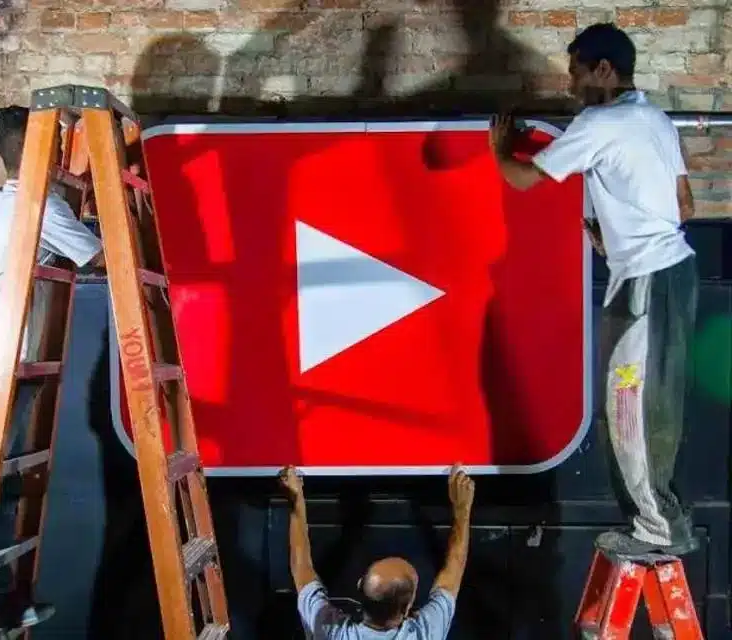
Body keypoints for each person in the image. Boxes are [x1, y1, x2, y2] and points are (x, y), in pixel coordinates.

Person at [488, 23, 698, 557]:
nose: (570, 83)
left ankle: (656, 526)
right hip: (673, 273)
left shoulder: (600, 122)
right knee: (654, 405)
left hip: (645, 280)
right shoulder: (655, 119)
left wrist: (500, 149)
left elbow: (523, 178)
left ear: (604, 69)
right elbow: (685, 206)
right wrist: (620, 236)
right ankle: (663, 515)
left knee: (629, 406)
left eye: (576, 71)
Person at [0, 105, 104, 637]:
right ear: (42, 152)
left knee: (3, 485)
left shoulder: (1, 200)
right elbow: (100, 258)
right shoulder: (37, 205)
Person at [279, 464, 474, 639]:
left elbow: (301, 569)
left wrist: (296, 501)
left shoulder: (331, 633)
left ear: (359, 585)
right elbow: (452, 574)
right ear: (407, 608)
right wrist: (462, 509)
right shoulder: (425, 633)